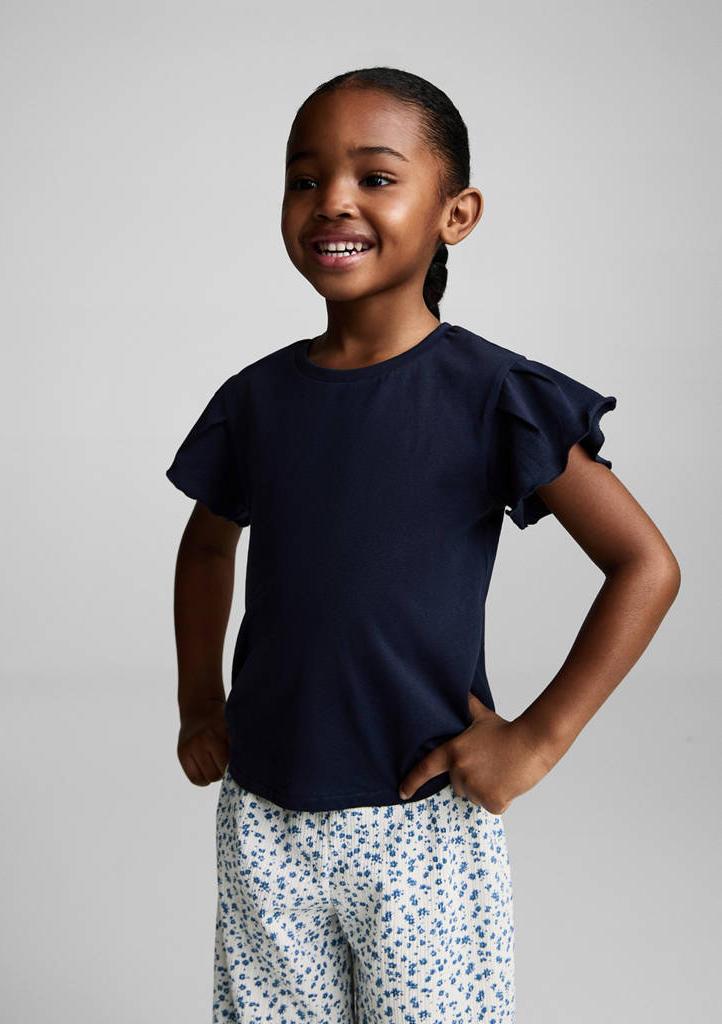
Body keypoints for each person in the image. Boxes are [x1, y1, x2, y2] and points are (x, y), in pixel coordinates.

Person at [165, 67, 680, 1024]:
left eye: (374, 177)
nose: (333, 201)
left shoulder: (493, 394)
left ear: (456, 213)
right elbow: (206, 549)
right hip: (264, 817)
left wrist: (536, 741)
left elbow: (644, 565)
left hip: (421, 823)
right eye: (305, 178)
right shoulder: (255, 400)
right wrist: (201, 701)